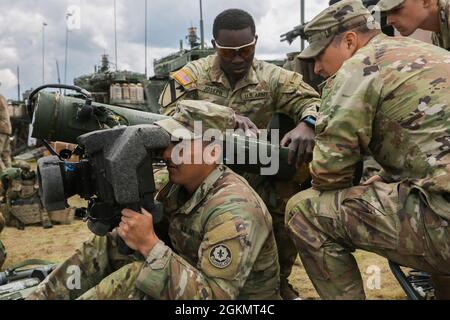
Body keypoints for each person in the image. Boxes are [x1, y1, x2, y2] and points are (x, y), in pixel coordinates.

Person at [27, 100, 281, 300]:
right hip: (194, 280)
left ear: (213, 150)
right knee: (111, 243)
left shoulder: (234, 210)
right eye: (167, 143)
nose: (168, 153)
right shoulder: (174, 186)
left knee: (138, 278)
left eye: (180, 144)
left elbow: (215, 298)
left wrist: (149, 245)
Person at [285, 0, 450, 299]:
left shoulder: (359, 68)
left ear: (349, 41)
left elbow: (330, 174)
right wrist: (390, 181)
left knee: (305, 211)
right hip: (441, 207)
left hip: (444, 224)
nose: (318, 68)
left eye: (319, 56)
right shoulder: (430, 53)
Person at [159, 8, 321, 299]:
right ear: (214, 46)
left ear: (255, 42)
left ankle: (277, 279)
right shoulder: (192, 76)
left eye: (245, 50)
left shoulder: (272, 78)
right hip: (201, 172)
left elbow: (314, 101)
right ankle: (180, 271)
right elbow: (170, 115)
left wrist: (308, 124)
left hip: (255, 172)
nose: (238, 58)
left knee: (288, 201)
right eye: (228, 51)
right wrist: (224, 117)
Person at [378, 0, 449, 50]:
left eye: (396, 10)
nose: (389, 21)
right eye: (387, 13)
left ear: (425, 1)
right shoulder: (438, 32)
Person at [0, 95, 12, 173]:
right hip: (7, 129)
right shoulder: (2, 97)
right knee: (6, 155)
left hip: (1, 129)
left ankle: (5, 176)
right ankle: (11, 177)